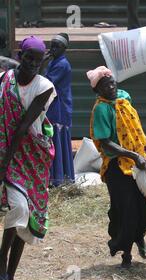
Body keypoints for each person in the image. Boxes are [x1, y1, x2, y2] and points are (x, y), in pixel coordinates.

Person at [0, 36, 57, 280]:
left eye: (37, 59)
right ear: (20, 56)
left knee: (26, 217)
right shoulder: (5, 81)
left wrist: (5, 163)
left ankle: (9, 278)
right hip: (6, 150)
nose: (32, 63)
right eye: (28, 58)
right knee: (20, 209)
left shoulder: (44, 87)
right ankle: (1, 268)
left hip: (30, 155)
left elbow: (24, 127)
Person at [88, 66, 146, 268]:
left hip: (138, 163)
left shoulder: (124, 100)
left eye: (112, 82)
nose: (110, 87)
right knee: (127, 211)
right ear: (97, 90)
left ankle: (139, 236)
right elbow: (105, 142)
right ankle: (125, 253)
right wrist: (132, 155)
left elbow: (135, 128)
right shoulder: (101, 109)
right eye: (104, 85)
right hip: (117, 167)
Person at [44, 33, 75, 186]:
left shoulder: (62, 64)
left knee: (57, 140)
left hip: (59, 108)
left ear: (64, 48)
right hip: (56, 106)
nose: (53, 49)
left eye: (57, 46)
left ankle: (58, 179)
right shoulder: (55, 61)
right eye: (52, 45)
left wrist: (41, 63)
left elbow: (47, 83)